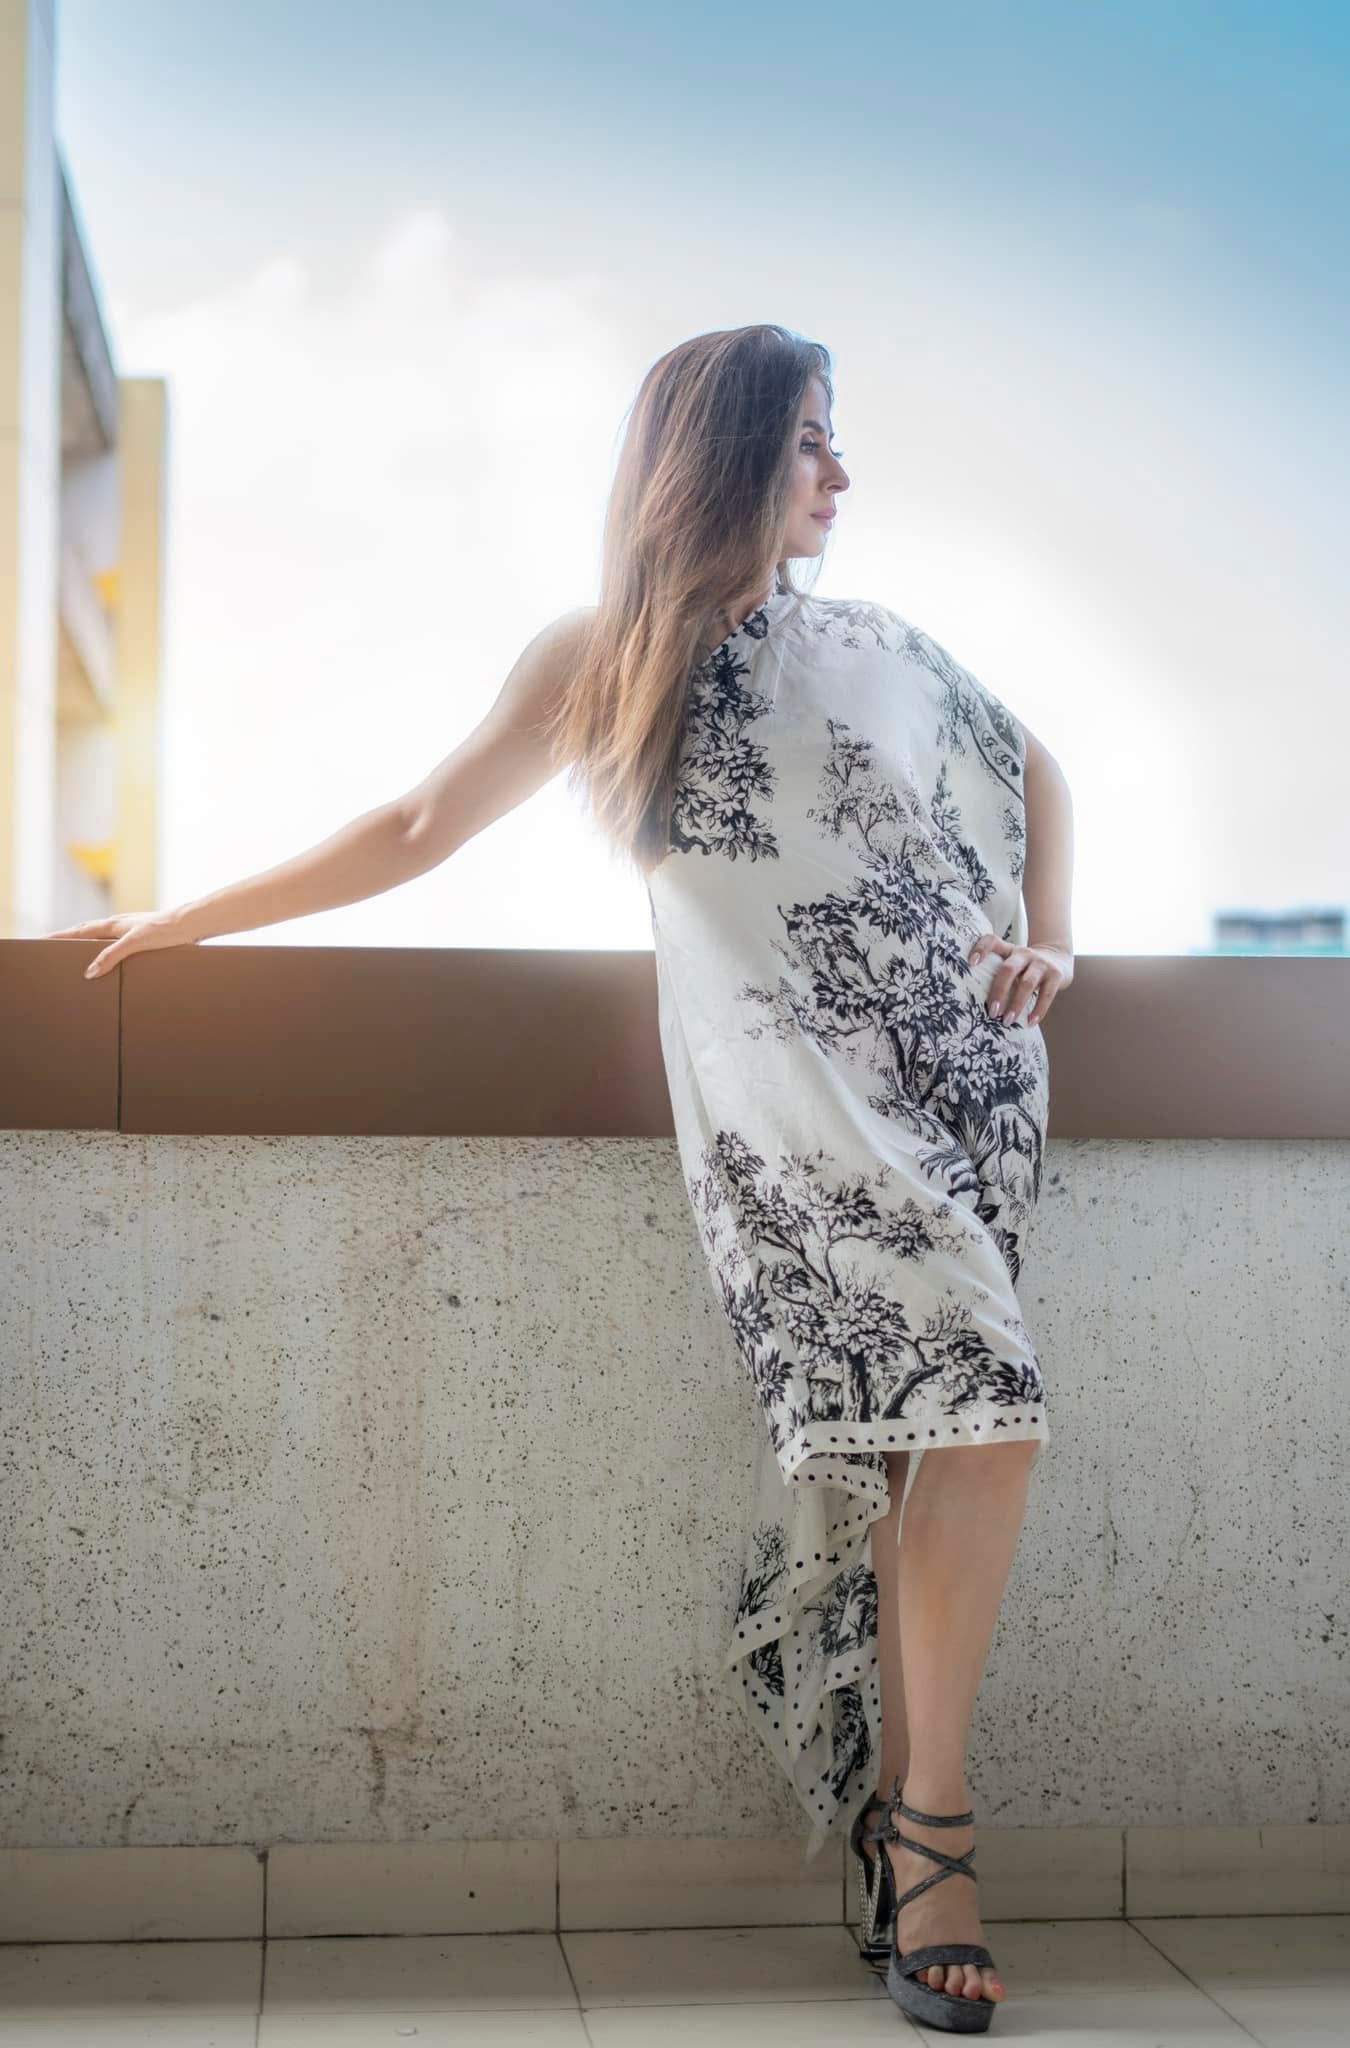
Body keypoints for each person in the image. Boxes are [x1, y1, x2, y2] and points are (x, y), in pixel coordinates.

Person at [45, 322, 1074, 2034]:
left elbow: (1032, 765)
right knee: (982, 1414)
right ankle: (935, 1840)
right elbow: (414, 825)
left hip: (958, 1080)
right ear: (721, 454)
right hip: (785, 1121)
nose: (839, 471)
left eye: (836, 439)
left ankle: (901, 1840)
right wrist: (189, 918)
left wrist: (1054, 939)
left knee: (940, 1444)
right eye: (809, 439)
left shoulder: (883, 644)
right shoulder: (602, 657)